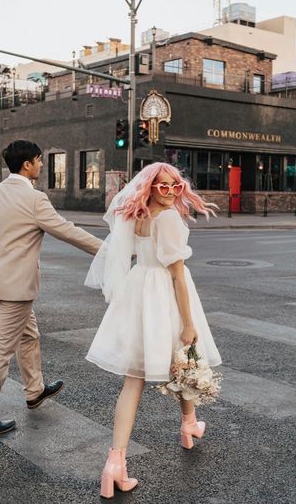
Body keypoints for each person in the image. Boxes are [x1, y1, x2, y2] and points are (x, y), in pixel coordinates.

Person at [85, 162, 222, 498]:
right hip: (164, 293)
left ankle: (116, 461)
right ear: (149, 187)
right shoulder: (169, 218)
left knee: (138, 379)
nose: (171, 192)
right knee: (184, 358)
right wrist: (189, 323)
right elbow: (177, 274)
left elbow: (130, 255)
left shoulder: (137, 215)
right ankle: (187, 424)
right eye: (163, 186)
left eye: (176, 186)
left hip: (139, 289)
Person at [0, 140, 102, 439]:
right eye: (38, 160)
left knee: (29, 333)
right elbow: (68, 231)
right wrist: (110, 251)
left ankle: (34, 390)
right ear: (27, 164)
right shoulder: (35, 199)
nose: (40, 165)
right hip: (18, 288)